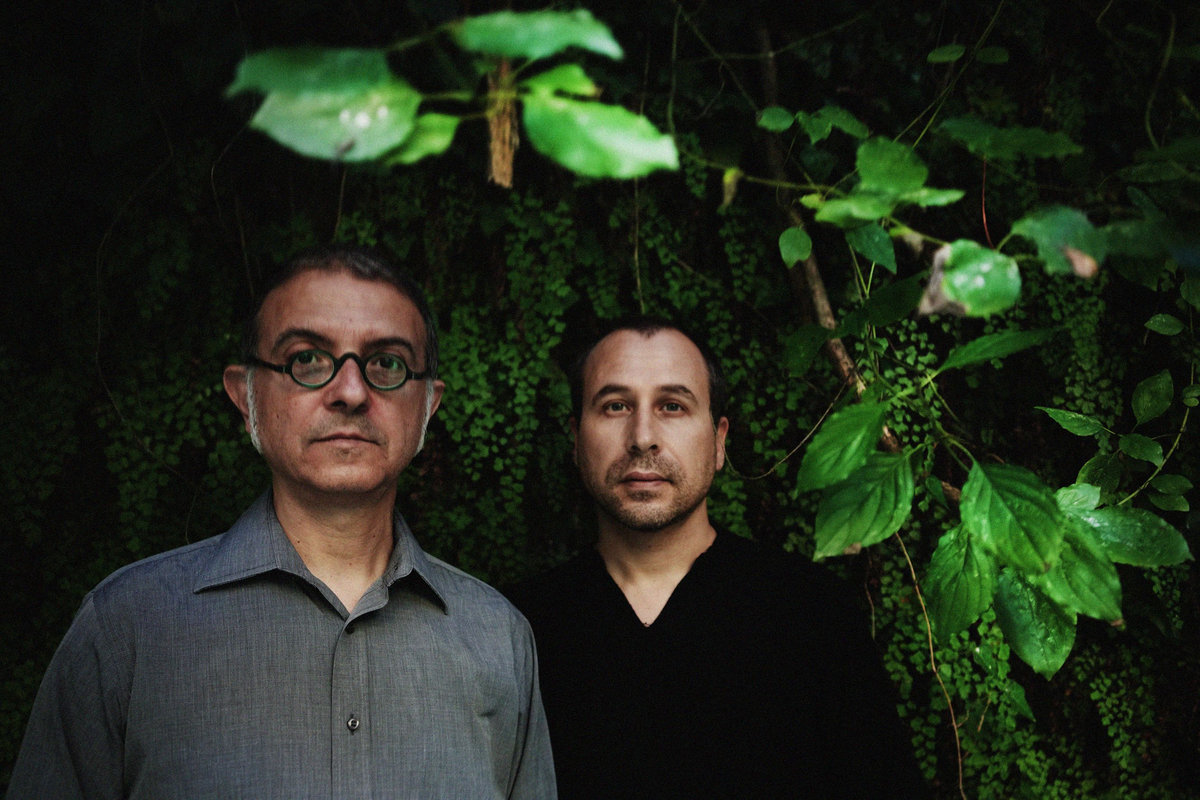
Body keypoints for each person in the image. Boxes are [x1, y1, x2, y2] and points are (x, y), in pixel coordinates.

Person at [8, 245, 555, 799]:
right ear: (245, 396)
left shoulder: (499, 638)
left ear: (428, 407)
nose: (351, 392)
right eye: (307, 359)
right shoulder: (127, 628)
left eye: (387, 363)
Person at [508, 315, 927, 799]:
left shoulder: (813, 615)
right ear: (576, 440)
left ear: (719, 440)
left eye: (672, 406)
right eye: (615, 405)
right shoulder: (516, 628)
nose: (642, 436)